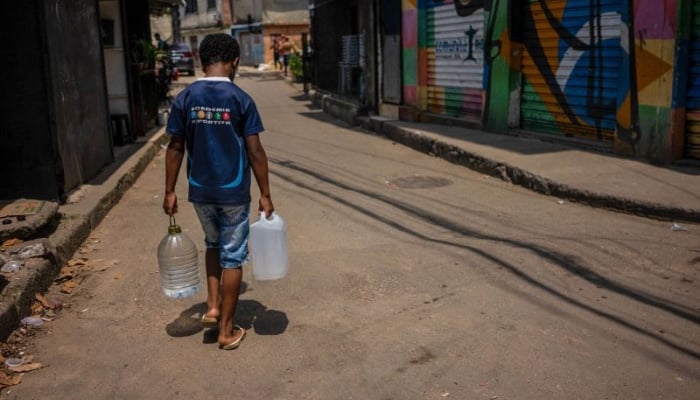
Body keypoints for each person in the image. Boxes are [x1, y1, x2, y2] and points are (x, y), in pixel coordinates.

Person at [163, 33, 274, 350]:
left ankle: (212, 307)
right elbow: (255, 152)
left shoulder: (185, 98)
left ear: (200, 60)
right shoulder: (240, 100)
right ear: (235, 62)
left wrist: (169, 191)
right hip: (233, 194)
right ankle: (226, 331)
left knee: (213, 244)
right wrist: (265, 194)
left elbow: (175, 148)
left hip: (200, 192)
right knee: (233, 258)